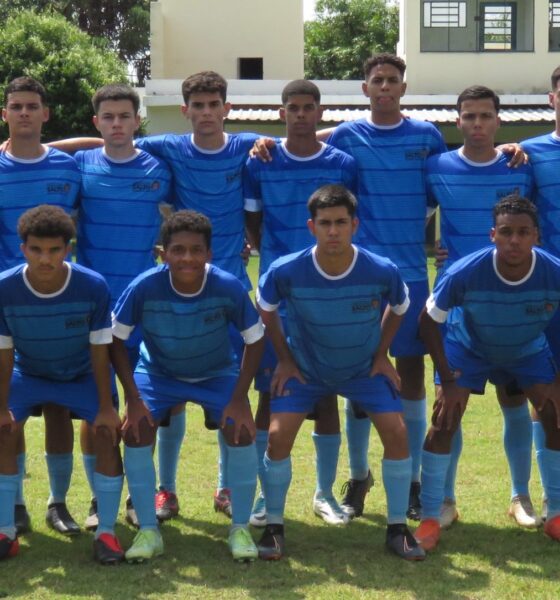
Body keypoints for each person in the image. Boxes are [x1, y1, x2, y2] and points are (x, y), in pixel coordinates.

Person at [256, 184, 425, 561]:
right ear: (311, 226)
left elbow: (400, 307)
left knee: (397, 432)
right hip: (306, 372)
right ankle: (274, 528)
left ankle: (398, 529)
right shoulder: (286, 270)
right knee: (278, 437)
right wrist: (284, 358)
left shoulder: (381, 269)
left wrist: (381, 354)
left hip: (362, 371)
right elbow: (265, 307)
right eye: (325, 223)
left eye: (341, 223)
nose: (333, 231)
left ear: (355, 225)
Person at [111, 210, 265, 562]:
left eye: (196, 250)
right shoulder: (145, 286)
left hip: (216, 373)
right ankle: (149, 531)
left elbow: (255, 340)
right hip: (158, 374)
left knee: (242, 431)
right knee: (135, 431)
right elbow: (115, 340)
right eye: (177, 250)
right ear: (163, 253)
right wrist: (133, 399)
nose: (187, 258)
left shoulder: (228, 286)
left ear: (209, 254)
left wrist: (240, 397)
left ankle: (239, 528)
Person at [415, 195, 560, 552]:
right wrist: (447, 381)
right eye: (507, 232)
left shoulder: (554, 271)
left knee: (556, 414)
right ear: (492, 234)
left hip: (527, 348)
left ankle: (555, 513)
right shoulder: (464, 271)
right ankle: (431, 516)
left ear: (536, 237)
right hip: (470, 348)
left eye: (523, 233)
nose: (514, 240)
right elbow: (427, 323)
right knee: (444, 419)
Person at [244, 79, 358, 526]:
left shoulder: (343, 164)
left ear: (319, 112)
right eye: (293, 107)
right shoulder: (262, 160)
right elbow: (252, 219)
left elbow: (350, 222)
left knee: (324, 393)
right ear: (282, 113)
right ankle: (261, 494)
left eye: (308, 107)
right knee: (269, 393)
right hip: (278, 291)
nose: (301, 114)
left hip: (329, 290)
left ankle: (325, 493)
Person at [426, 85, 538, 528]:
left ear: (497, 121)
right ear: (457, 121)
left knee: (515, 401)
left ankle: (520, 497)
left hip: (514, 302)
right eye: (468, 116)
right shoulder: (437, 167)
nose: (477, 124)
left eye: (485, 116)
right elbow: (422, 213)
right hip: (459, 305)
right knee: (449, 405)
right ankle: (446, 500)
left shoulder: (519, 166)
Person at [73, 83, 173, 530]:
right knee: (97, 406)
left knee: (140, 405)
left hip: (141, 308)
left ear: (137, 121)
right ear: (97, 123)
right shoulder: (79, 166)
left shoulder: (160, 167)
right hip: (91, 306)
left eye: (124, 116)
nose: (116, 124)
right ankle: (100, 498)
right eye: (107, 117)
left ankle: (138, 493)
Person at [0, 205, 123, 564]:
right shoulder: (5, 288)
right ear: (23, 248)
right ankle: (5, 532)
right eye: (36, 249)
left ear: (67, 249)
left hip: (81, 374)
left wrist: (105, 407)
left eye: (54, 250)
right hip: (29, 373)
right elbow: (4, 354)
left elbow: (100, 350)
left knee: (104, 433)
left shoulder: (92, 285)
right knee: (4, 431)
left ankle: (107, 534)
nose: (45, 259)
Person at [0, 76, 81, 537]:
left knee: (56, 406)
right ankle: (13, 504)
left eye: (33, 106)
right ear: (6, 114)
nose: (25, 113)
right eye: (16, 106)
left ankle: (58, 502)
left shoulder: (70, 168)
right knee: (8, 408)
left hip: (61, 302)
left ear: (45, 114)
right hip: (8, 303)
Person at [521, 65, 560, 520]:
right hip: (548, 291)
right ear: (551, 98)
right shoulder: (528, 154)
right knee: (547, 395)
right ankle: (550, 498)